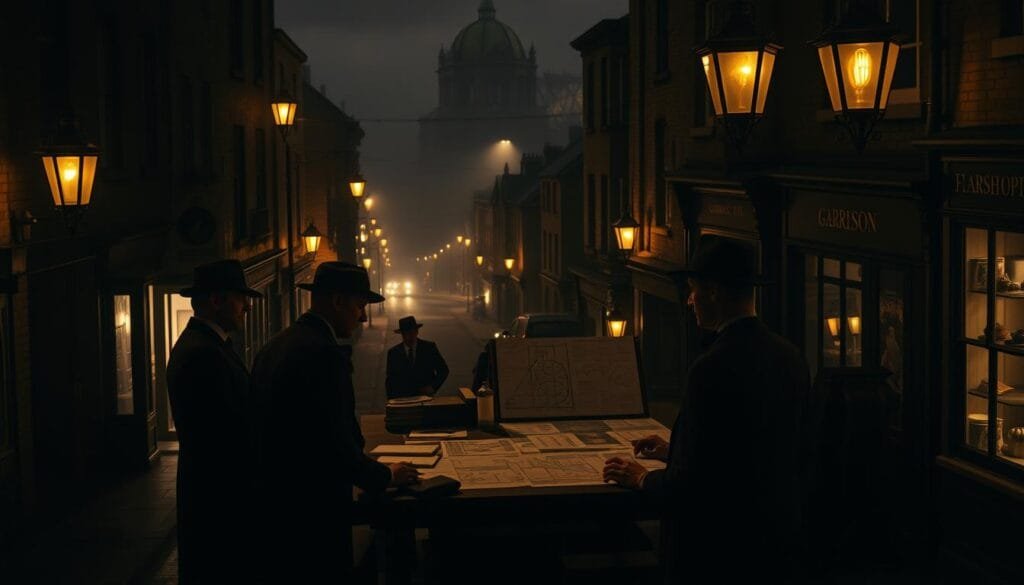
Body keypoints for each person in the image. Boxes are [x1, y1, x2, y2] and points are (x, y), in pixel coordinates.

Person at [603, 236, 811, 584]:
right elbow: (753, 451)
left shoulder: (712, 367)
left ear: (713, 292)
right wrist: (674, 451)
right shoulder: (790, 356)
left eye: (693, 290)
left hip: (716, 553)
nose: (689, 300)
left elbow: (692, 488)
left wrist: (641, 476)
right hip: (775, 545)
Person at [250, 262, 419, 582]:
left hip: (275, 509)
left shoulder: (277, 344)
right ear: (338, 301)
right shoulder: (323, 354)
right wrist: (385, 475)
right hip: (312, 513)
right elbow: (333, 442)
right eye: (359, 306)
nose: (363, 317)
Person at [165, 259, 261, 584]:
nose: (247, 306)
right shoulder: (202, 354)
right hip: (219, 505)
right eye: (240, 298)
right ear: (217, 300)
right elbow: (226, 436)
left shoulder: (208, 346)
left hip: (215, 500)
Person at [385, 315, 450, 399]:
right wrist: (392, 400)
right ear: (402, 334)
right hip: (402, 399)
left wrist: (433, 387)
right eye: (406, 334)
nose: (410, 336)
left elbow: (443, 370)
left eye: (412, 332)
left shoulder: (429, 348)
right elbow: (390, 380)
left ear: (417, 332)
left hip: (425, 397)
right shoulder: (393, 353)